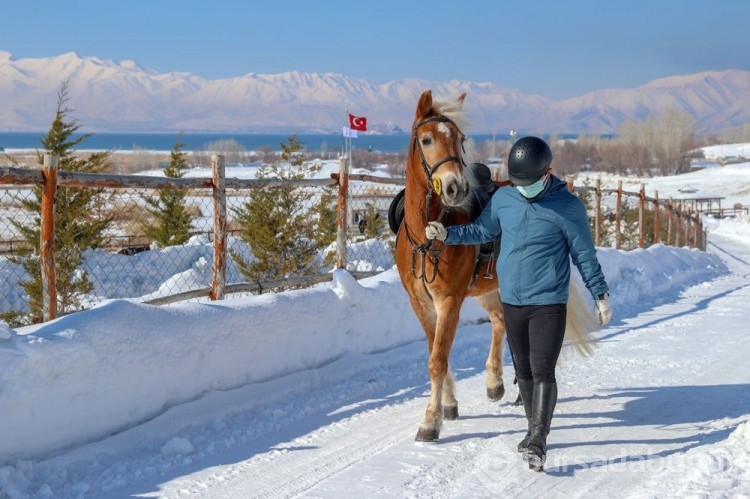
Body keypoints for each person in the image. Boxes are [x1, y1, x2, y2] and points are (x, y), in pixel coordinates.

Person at [425, 136, 612, 471]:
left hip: (548, 301)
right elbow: (481, 231)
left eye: (528, 183)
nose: (522, 188)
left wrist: (599, 294)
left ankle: (538, 439)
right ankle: (532, 429)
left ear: (547, 173)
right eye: (518, 182)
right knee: (523, 370)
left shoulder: (567, 207)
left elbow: (585, 255)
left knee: (543, 370)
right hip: (512, 299)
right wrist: (447, 234)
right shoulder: (506, 199)